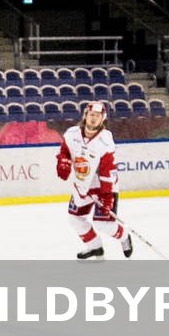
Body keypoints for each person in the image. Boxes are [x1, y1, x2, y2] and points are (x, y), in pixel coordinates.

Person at [57, 100, 131, 260]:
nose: (93, 118)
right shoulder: (72, 134)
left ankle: (124, 235)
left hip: (102, 186)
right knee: (75, 219)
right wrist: (63, 162)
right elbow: (64, 151)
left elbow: (107, 171)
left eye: (97, 116)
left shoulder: (105, 141)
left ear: (102, 119)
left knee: (103, 224)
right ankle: (95, 247)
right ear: (85, 115)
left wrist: (107, 197)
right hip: (82, 184)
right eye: (91, 114)